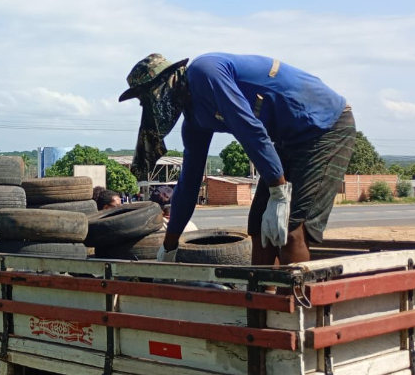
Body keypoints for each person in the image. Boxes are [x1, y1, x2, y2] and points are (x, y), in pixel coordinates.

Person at [119, 53, 355, 265]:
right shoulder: (194, 122)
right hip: (289, 139)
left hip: (325, 126)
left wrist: (279, 192)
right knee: (259, 227)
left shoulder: (204, 72)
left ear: (162, 85)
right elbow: (189, 184)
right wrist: (169, 246)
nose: (146, 106)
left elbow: (249, 128)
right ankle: (262, 308)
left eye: (145, 98)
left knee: (291, 231)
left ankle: (295, 310)